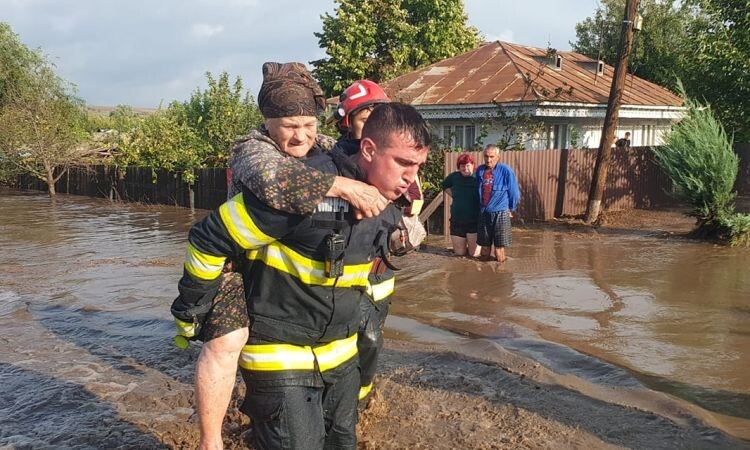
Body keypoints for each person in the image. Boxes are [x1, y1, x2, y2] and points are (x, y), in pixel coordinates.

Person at [172, 102, 431, 449]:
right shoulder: (303, 191)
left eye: (418, 167)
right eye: (404, 163)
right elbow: (209, 238)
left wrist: (402, 238)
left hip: (339, 355)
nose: (411, 179)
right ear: (368, 149)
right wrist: (193, 309)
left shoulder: (388, 197)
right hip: (280, 355)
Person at [332, 79, 424, 403]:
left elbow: (413, 202)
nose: (371, 120)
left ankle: (362, 396)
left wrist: (409, 227)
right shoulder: (334, 164)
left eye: (377, 113)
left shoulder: (399, 164)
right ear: (347, 122)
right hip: (343, 272)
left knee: (370, 338)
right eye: (363, 116)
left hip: (379, 271)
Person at [476, 144, 520, 263]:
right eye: (486, 156)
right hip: (484, 213)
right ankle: (484, 275)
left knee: (499, 249)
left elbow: (514, 192)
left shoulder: (506, 171)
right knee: (484, 248)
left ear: (498, 157)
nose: (488, 159)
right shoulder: (480, 170)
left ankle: (500, 276)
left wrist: (511, 208)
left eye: (491, 156)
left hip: (500, 213)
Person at [441, 152, 480, 257]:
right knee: (459, 254)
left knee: (474, 255)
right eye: (462, 166)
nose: (465, 168)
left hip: (475, 220)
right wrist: (454, 195)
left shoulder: (479, 176)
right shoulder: (454, 177)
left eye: (468, 165)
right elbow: (444, 185)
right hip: (457, 220)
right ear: (459, 167)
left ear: (473, 165)